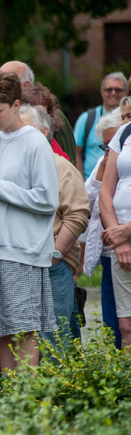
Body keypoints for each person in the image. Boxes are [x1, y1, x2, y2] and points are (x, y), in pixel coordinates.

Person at [0, 70, 59, 371]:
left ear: (16, 105)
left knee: (24, 327)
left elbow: (46, 200)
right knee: (2, 328)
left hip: (22, 250)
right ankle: (9, 394)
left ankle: (25, 397)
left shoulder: (34, 143)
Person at [18, 104, 89, 344]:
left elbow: (78, 215)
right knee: (21, 340)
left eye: (26, 131)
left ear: (44, 132)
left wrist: (55, 255)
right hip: (18, 265)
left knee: (54, 342)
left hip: (51, 267)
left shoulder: (61, 168)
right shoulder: (13, 168)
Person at [82, 109, 126, 348]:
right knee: (113, 323)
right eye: (105, 146)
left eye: (113, 144)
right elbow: (85, 201)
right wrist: (99, 175)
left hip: (124, 245)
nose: (110, 152)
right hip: (109, 254)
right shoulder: (103, 161)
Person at [0, 61, 76, 165]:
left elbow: (71, 165)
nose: (0, 89)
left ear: (25, 85)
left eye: (7, 83)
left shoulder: (55, 117)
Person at [98, 103, 131, 348]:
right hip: (121, 242)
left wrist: (126, 232)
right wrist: (118, 239)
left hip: (124, 234)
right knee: (125, 326)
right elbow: (105, 191)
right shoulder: (124, 132)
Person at [75, 72, 129, 179]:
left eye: (118, 90)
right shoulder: (86, 119)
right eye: (108, 89)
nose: (113, 93)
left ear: (127, 92)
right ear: (101, 92)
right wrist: (82, 183)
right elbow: (76, 152)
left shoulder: (129, 121)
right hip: (92, 183)